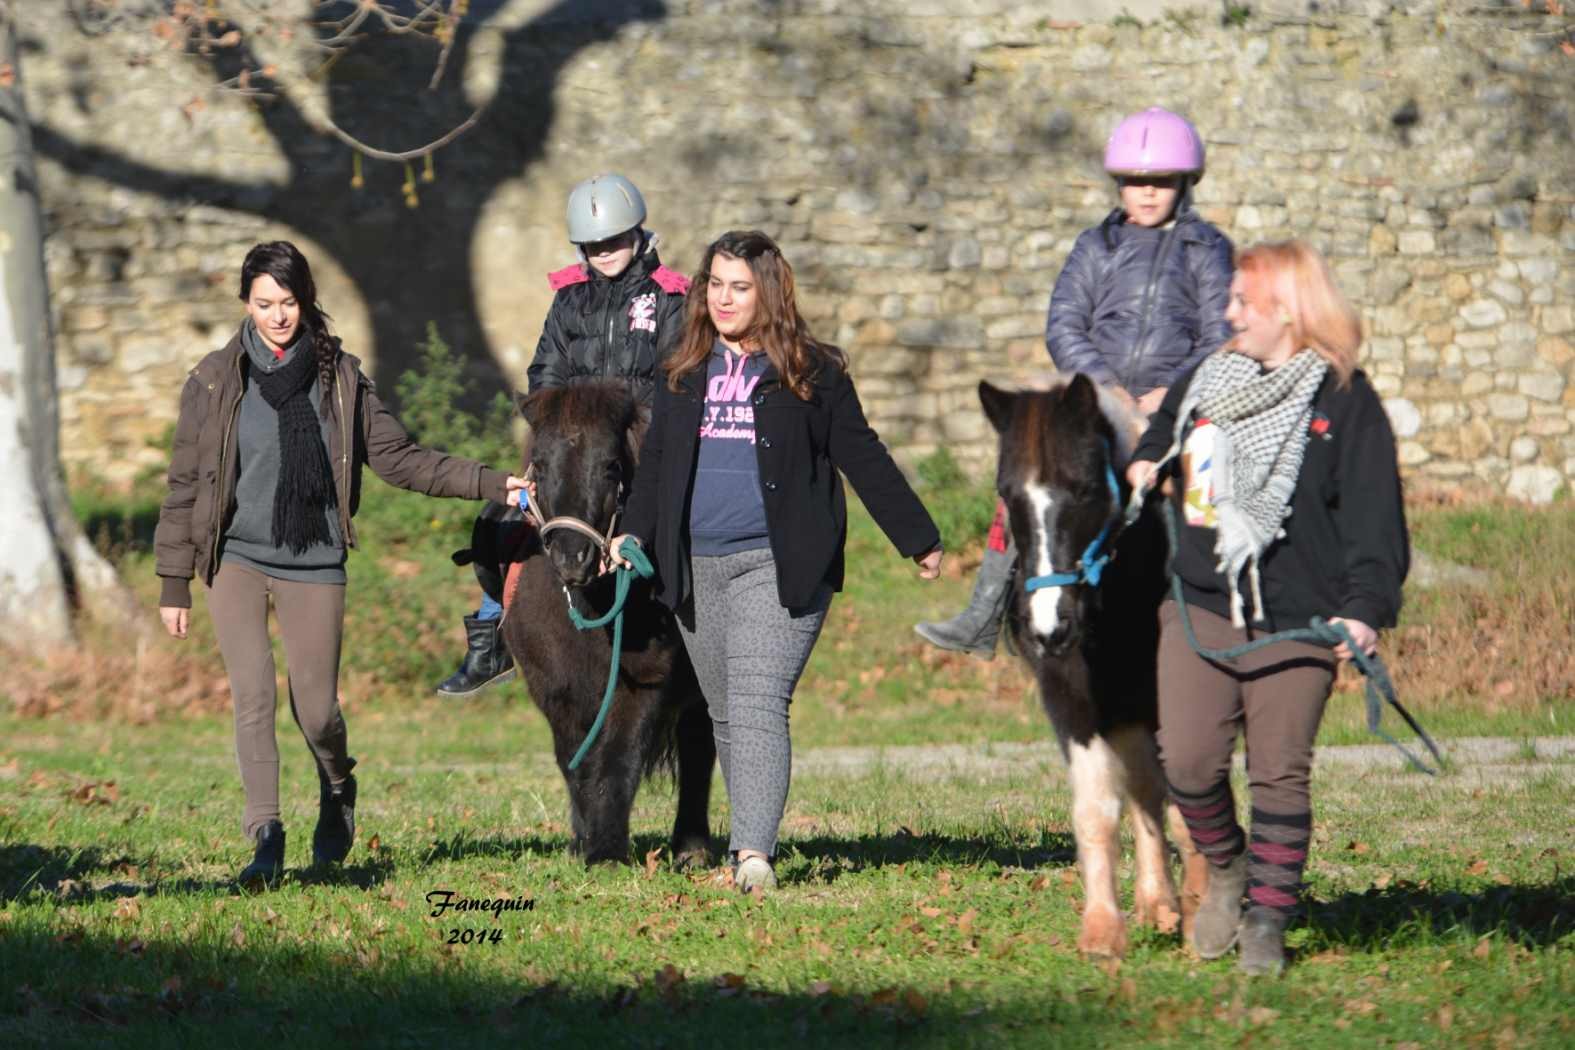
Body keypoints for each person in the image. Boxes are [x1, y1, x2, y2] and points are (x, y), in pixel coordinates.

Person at [154, 241, 526, 884]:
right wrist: (173, 580)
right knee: (251, 697)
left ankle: (336, 784)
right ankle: (265, 834)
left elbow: (403, 460)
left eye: (288, 303)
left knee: (318, 709)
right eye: (264, 303)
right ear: (246, 302)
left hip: (314, 560)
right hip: (235, 559)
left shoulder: (341, 380)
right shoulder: (215, 379)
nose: (277, 317)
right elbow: (186, 482)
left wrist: (493, 483)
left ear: (306, 301)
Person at [609, 230, 944, 894]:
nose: (725, 299)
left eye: (741, 286)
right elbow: (656, 472)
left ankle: (755, 854)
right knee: (727, 709)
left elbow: (863, 455)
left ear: (769, 292)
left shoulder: (812, 372)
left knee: (758, 700)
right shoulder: (680, 369)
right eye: (716, 284)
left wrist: (917, 536)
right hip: (693, 565)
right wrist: (633, 536)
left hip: (779, 559)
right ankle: (743, 849)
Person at [1126, 240, 1408, 975]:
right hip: (1202, 600)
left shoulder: (1344, 399)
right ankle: (1225, 867)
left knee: (1279, 771)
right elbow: (1165, 431)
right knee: (1185, 760)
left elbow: (1376, 522)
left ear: (1286, 310)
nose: (1228, 314)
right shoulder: (1209, 376)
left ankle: (1268, 921)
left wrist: (1364, 608)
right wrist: (1147, 456)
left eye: (1242, 303)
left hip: (1298, 615)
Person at [915, 106, 1234, 657]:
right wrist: (1103, 385)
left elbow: (1219, 333)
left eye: (1162, 181)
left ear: (1187, 182)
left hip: (1180, 401)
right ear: (1119, 185)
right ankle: (983, 612)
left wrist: (1172, 393)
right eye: (1137, 181)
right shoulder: (1095, 247)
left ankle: (1225, 607)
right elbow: (1064, 323)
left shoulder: (1207, 250)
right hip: (1099, 399)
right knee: (1031, 465)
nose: (1149, 192)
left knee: (1212, 464)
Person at [434, 173, 690, 697]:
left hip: (640, 442)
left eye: (615, 241)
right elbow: (544, 373)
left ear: (639, 234)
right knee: (502, 520)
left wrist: (632, 428)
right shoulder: (568, 301)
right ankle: (493, 635)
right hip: (574, 444)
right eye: (593, 245)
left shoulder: (671, 300)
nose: (605, 252)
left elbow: (677, 379)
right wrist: (555, 429)